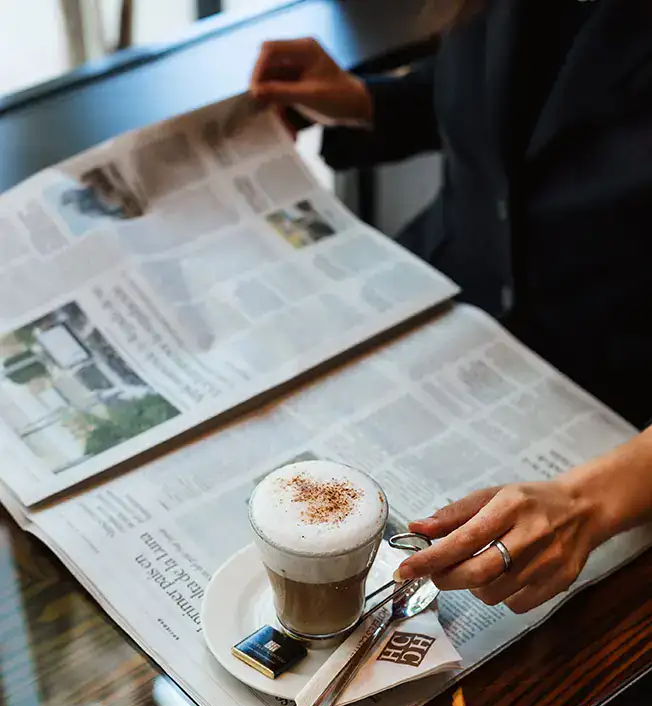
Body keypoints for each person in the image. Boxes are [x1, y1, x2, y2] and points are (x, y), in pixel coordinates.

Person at [250, 0, 652, 611]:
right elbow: (528, 96)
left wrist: (593, 499)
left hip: (613, 413)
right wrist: (369, 101)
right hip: (438, 307)